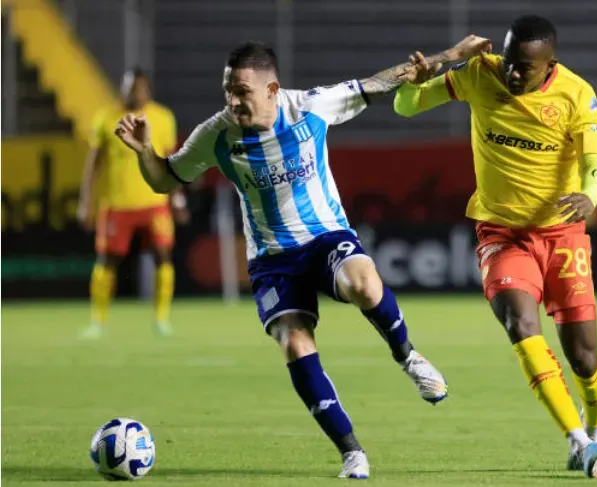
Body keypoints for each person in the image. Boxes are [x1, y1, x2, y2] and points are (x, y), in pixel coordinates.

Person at [113, 38, 486, 478]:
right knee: (295, 343)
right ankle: (352, 452)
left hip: (325, 236)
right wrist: (144, 154)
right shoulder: (216, 135)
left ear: (272, 90)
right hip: (272, 259)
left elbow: (378, 83)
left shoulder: (310, 107)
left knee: (363, 283)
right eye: (228, 90)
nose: (233, 102)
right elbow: (165, 178)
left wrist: (444, 59)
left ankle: (407, 356)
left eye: (243, 92)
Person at [394, 16, 597, 478]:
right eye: (510, 63)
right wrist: (431, 67)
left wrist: (589, 197)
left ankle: (593, 432)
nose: (513, 73)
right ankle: (578, 443)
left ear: (549, 63)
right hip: (501, 233)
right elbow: (407, 106)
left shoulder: (577, 94)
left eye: (525, 68)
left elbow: (594, 164)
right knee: (520, 322)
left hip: (561, 234)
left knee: (584, 356)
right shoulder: (480, 73)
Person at [78, 69, 188, 339]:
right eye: (128, 88)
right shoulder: (106, 117)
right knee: (107, 260)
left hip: (155, 202)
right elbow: (95, 163)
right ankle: (98, 321)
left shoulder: (163, 117)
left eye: (138, 88)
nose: (132, 93)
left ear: (147, 91)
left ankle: (162, 320)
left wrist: (177, 197)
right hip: (117, 204)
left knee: (163, 256)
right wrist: (86, 202)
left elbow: (170, 160)